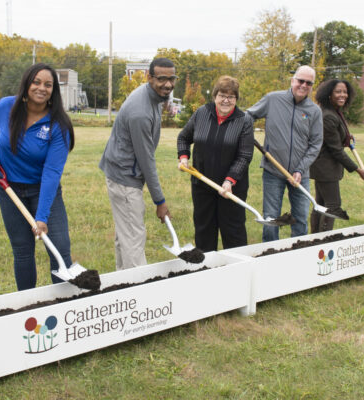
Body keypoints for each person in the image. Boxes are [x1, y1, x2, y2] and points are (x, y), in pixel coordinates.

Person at [0, 63, 75, 290]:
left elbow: (52, 173)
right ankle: (27, 304)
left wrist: (42, 217)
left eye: (48, 85)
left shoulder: (58, 126)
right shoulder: (6, 106)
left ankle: (65, 303)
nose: (41, 88)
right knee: (22, 250)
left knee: (59, 249)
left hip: (43, 190)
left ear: (54, 91)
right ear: (27, 84)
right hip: (9, 190)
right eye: (36, 82)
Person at [99, 57, 175, 270]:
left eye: (171, 79)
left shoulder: (153, 96)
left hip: (122, 172)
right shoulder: (140, 112)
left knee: (125, 234)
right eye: (161, 79)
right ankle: (137, 293)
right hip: (124, 178)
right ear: (149, 77)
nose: (168, 84)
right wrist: (160, 201)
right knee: (133, 236)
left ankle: (121, 283)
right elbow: (146, 159)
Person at [176, 76, 254, 251]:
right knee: (204, 231)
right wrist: (183, 157)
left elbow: (244, 156)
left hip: (232, 188)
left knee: (233, 232)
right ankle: (206, 269)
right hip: (202, 184)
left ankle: (236, 270)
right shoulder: (202, 113)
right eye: (222, 95)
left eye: (231, 97)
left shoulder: (244, 121)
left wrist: (229, 181)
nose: (226, 100)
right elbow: (183, 137)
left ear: (236, 99)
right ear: (215, 96)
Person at [247, 65, 323, 242]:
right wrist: (246, 132)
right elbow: (248, 116)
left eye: (308, 83)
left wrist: (300, 170)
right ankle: (270, 252)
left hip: (300, 175)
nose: (303, 85)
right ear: (292, 80)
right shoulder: (273, 99)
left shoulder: (314, 111)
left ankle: (298, 250)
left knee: (301, 217)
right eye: (300, 81)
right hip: (273, 171)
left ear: (312, 86)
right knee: (271, 218)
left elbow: (315, 144)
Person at [310, 79, 364, 233]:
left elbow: (336, 139)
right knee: (333, 205)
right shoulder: (328, 116)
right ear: (328, 94)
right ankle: (323, 240)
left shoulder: (333, 113)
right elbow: (336, 150)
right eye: (338, 91)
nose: (342, 95)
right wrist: (357, 169)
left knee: (321, 204)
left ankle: (314, 239)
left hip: (322, 167)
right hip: (325, 168)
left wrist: (346, 138)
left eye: (345, 92)